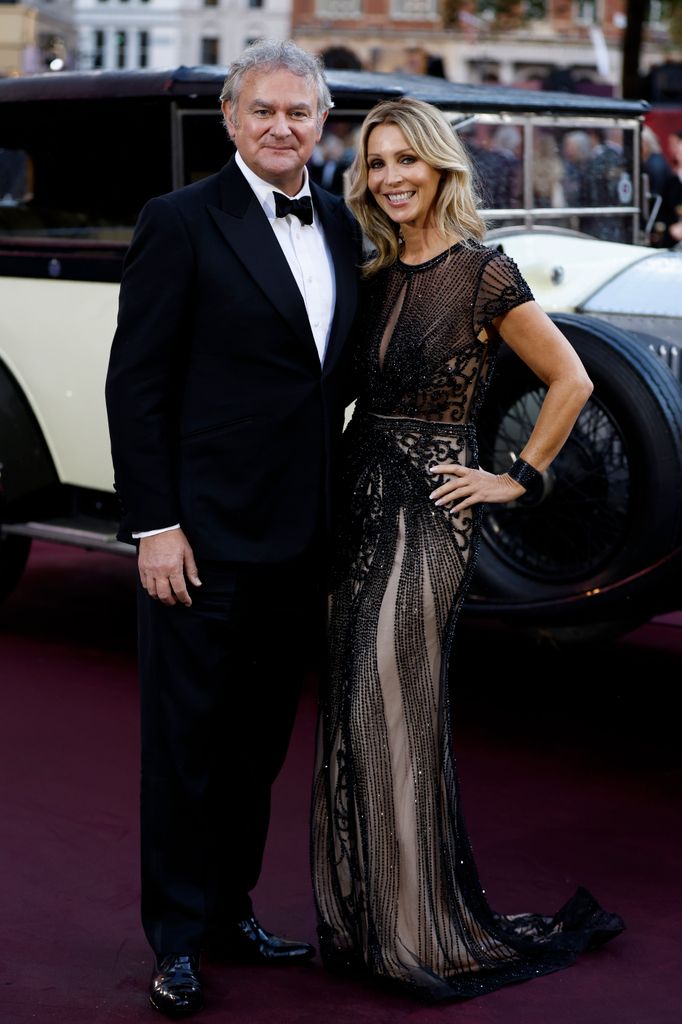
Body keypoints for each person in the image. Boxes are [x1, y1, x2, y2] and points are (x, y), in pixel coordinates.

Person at [311, 98, 625, 1002]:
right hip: (357, 501)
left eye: (407, 159)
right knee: (350, 706)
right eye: (376, 164)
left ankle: (423, 933)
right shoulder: (368, 278)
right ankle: (370, 920)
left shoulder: (487, 274)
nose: (392, 177)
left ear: (442, 166)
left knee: (394, 706)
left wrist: (516, 476)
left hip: (433, 508)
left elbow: (571, 378)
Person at [105, 40, 361, 1018]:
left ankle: (229, 912)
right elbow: (138, 386)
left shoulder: (340, 225)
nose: (283, 126)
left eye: (300, 112)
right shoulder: (179, 222)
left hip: (301, 537)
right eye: (264, 111)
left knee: (256, 742)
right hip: (199, 538)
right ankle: (174, 938)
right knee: (186, 742)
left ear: (322, 120)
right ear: (229, 118)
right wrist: (154, 523)